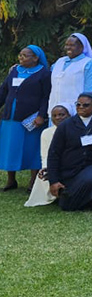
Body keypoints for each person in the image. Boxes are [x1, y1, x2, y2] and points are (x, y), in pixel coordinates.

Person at [46, 93, 92, 211]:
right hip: (69, 167)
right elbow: (54, 153)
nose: (81, 107)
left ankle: (73, 200)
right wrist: (53, 180)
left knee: (90, 178)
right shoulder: (66, 125)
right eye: (78, 105)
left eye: (85, 105)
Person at [0, 45, 50, 191]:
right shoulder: (14, 70)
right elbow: (4, 90)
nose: (21, 58)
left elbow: (46, 97)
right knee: (11, 148)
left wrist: (42, 115)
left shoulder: (44, 73)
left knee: (31, 149)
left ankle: (33, 181)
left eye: (25, 55)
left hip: (31, 119)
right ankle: (11, 181)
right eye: (20, 55)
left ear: (35, 58)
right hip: (10, 117)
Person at [25, 105, 70, 207]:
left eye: (61, 115)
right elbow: (44, 155)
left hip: (70, 164)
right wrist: (46, 168)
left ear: (69, 116)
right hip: (52, 164)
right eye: (54, 116)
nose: (58, 118)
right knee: (45, 174)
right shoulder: (46, 133)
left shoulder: (74, 130)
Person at [48, 33, 92, 116]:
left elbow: (89, 91)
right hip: (54, 110)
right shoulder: (59, 62)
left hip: (75, 111)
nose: (68, 47)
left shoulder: (89, 64)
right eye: (67, 45)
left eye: (72, 45)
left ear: (82, 47)